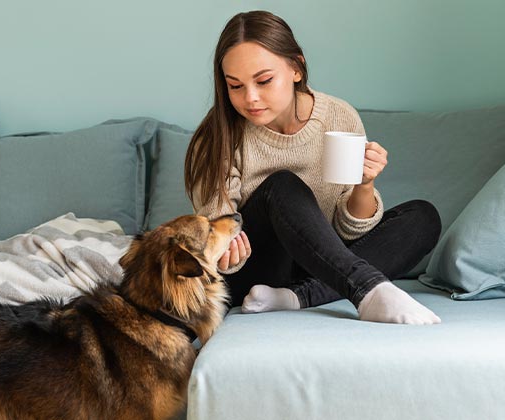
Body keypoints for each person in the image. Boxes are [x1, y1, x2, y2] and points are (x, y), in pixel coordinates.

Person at [184, 10, 442, 324]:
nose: (250, 98)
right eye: (235, 86)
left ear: (296, 67)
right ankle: (367, 289)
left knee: (423, 217)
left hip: (324, 263)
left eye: (264, 80)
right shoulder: (218, 135)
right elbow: (218, 230)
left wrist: (364, 184)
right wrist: (223, 247)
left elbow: (349, 231)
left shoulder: (339, 116)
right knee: (282, 184)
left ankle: (297, 297)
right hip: (256, 267)